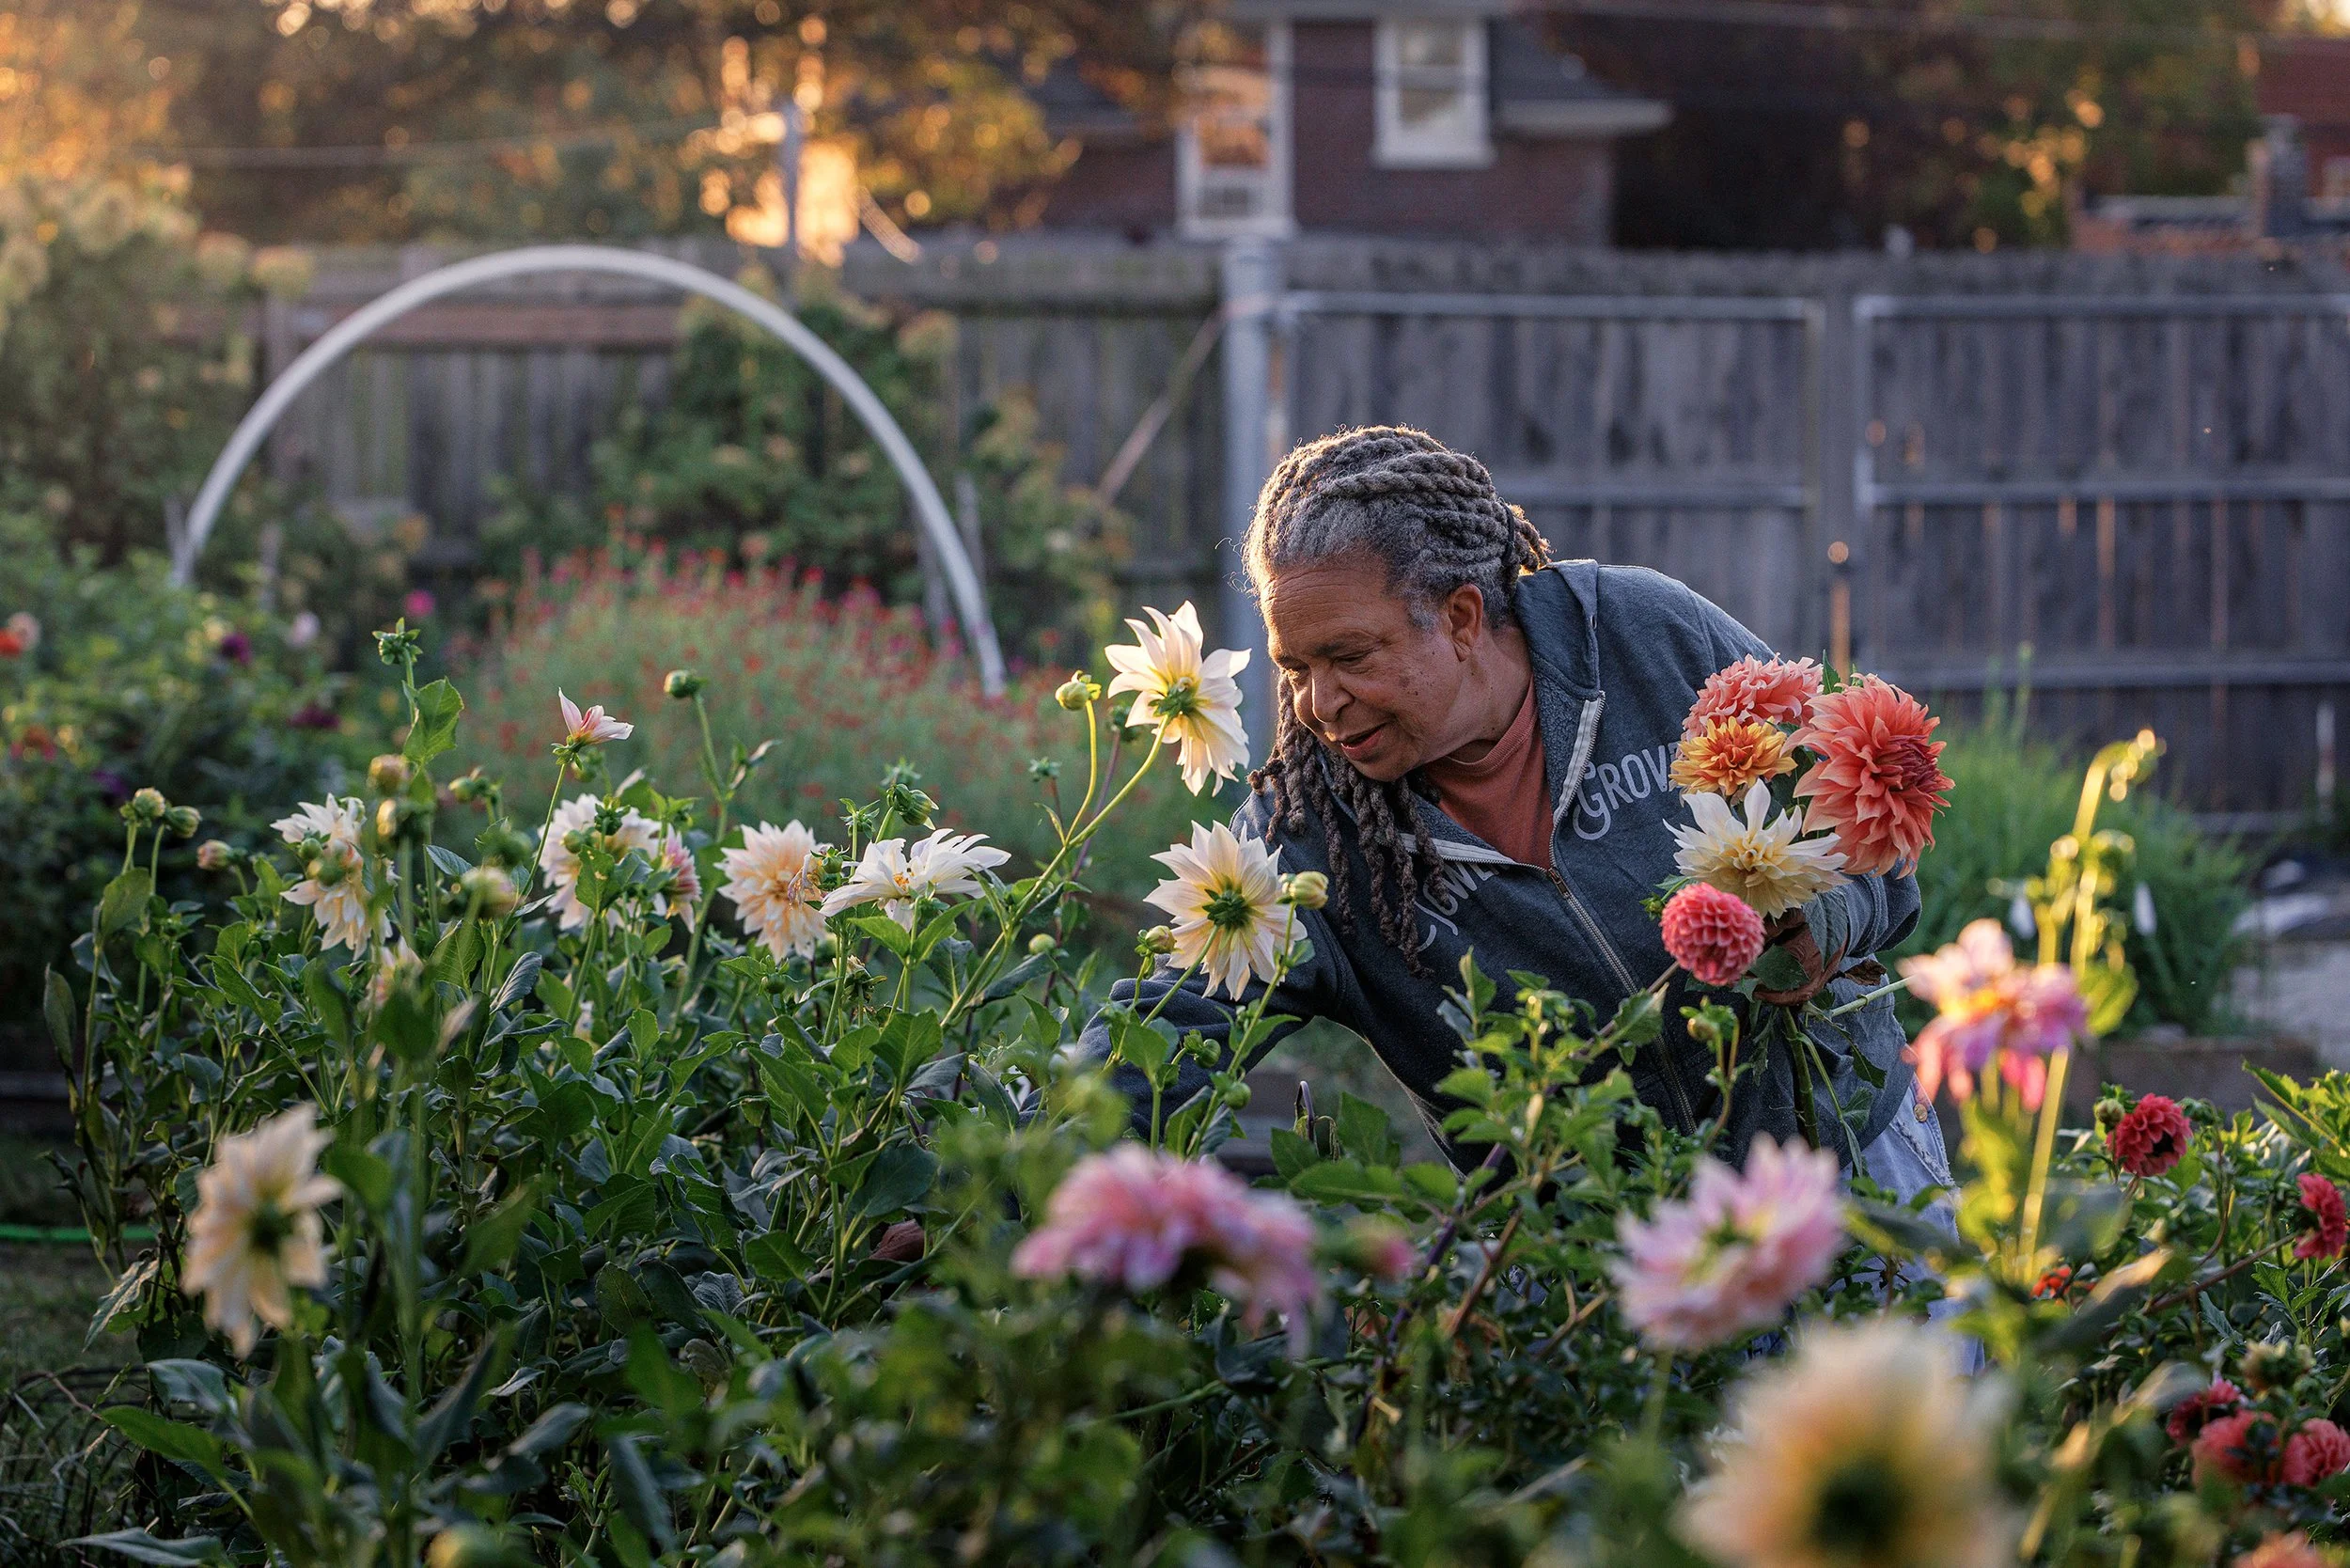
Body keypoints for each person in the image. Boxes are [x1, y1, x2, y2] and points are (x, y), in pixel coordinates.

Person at [1077, 425, 1954, 1202]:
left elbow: (1873, 824)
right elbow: (1161, 1031)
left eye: (1349, 656)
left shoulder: (1642, 636)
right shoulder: (1310, 841)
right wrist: (997, 1169)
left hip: (1851, 1171)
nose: (1316, 703)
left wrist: (1826, 919)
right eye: (1293, 665)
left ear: (1460, 616)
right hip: (1591, 1283)